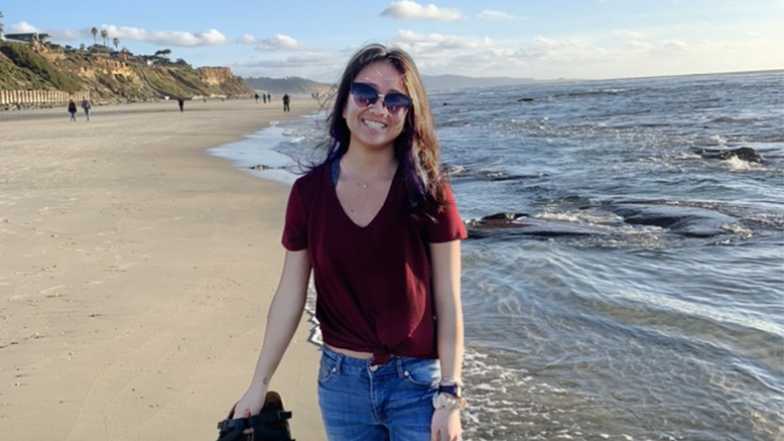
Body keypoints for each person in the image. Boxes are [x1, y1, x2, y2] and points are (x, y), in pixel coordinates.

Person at [231, 43, 466, 441]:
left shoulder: (429, 192)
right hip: (342, 385)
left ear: (409, 114)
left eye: (395, 99)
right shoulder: (308, 194)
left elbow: (448, 299)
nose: (379, 108)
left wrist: (450, 393)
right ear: (344, 104)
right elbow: (290, 293)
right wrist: (259, 381)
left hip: (417, 385)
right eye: (365, 94)